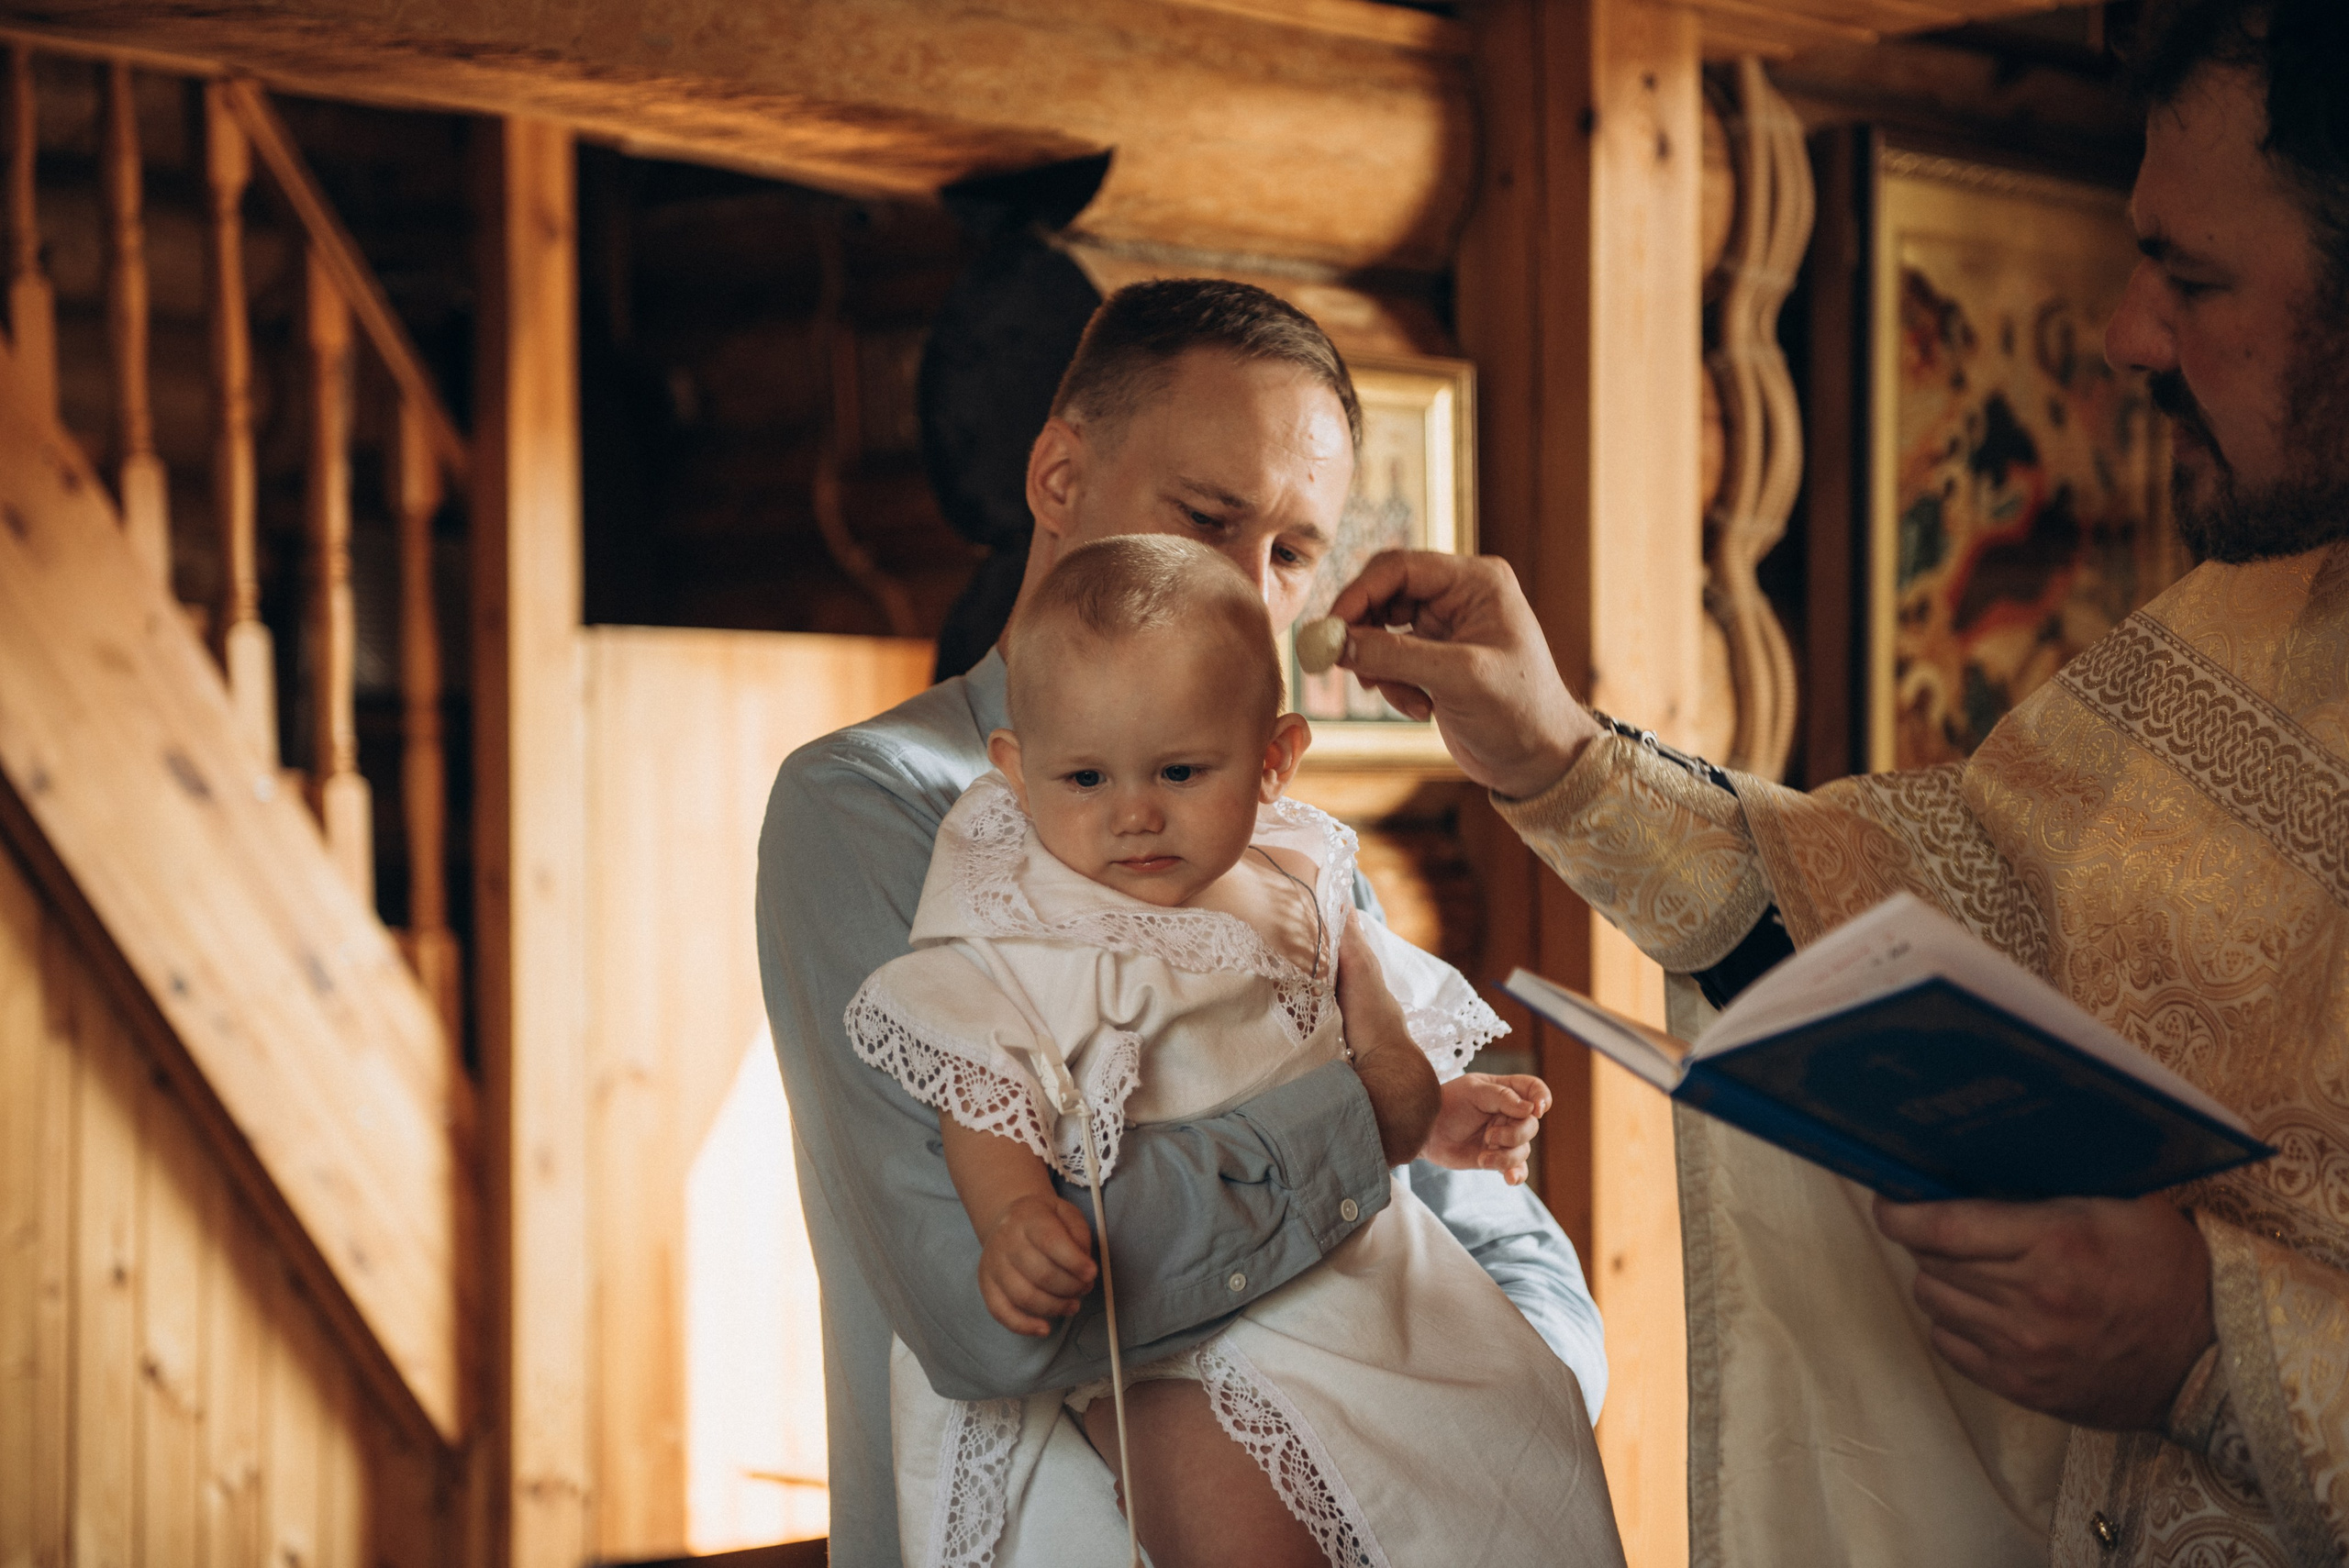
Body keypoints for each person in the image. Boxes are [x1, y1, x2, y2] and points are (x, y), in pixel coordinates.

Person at [1308, 1, 2349, 1562]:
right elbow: (1906, 910)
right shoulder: (2248, 627)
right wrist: (1562, 758)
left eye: (2196, 278)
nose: (2131, 332)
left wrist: (2216, 1343)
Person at [757, 279, 1608, 1567]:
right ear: (1058, 477)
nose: (1252, 593)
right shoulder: (877, 812)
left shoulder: (1284, 843)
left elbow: (1513, 1257)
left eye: (1293, 553)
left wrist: (1474, 1426)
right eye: (1208, 519)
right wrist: (1356, 1128)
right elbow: (996, 1317)